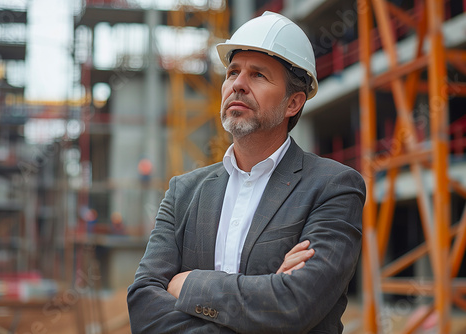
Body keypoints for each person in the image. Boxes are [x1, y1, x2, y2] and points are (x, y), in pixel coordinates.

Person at [127, 11, 365, 333]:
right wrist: (265, 296)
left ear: (293, 103)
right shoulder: (183, 192)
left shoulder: (333, 188)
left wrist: (190, 284)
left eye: (258, 76)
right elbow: (143, 306)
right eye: (232, 72)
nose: (237, 85)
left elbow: (293, 307)